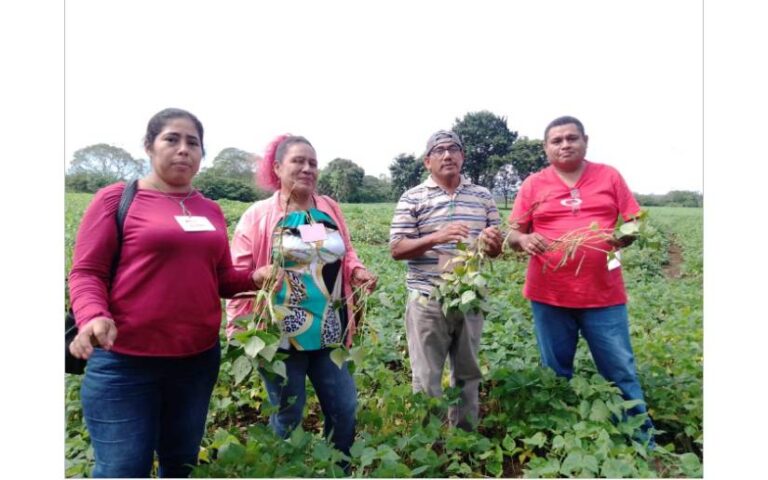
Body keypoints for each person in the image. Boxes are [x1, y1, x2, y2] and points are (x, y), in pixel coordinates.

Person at [68, 108, 264, 478]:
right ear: (149, 145)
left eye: (193, 143)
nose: (183, 149)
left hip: (196, 361)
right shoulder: (116, 199)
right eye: (171, 139)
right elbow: (87, 272)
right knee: (124, 469)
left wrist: (256, 278)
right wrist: (93, 315)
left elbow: (221, 278)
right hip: (125, 362)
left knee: (181, 462)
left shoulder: (210, 210)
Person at [225, 134, 377, 459]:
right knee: (288, 414)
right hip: (279, 337)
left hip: (330, 331)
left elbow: (346, 251)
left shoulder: (328, 208)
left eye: (313, 163)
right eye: (298, 161)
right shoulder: (258, 215)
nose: (307, 168)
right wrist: (238, 330)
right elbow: (237, 275)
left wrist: (357, 271)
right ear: (277, 168)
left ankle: (338, 467)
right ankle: (289, 469)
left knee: (344, 408)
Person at [505, 115, 654, 444]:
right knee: (555, 372)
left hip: (604, 294)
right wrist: (525, 239)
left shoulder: (609, 176)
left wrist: (625, 235)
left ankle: (642, 441)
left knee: (620, 369)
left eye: (572, 138)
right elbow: (513, 234)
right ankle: (562, 436)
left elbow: (635, 220)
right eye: (556, 141)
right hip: (549, 295)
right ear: (546, 148)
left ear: (585, 141)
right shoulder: (533, 184)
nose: (565, 145)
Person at [389, 130, 503, 430]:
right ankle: (430, 442)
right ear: (427, 161)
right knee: (427, 376)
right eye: (439, 150)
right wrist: (436, 237)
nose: (447, 155)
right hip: (427, 297)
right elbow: (397, 248)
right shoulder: (412, 197)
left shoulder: (483, 196)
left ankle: (464, 437)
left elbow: (497, 249)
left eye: (454, 149)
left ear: (463, 156)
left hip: (470, 296)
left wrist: (493, 244)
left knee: (468, 372)